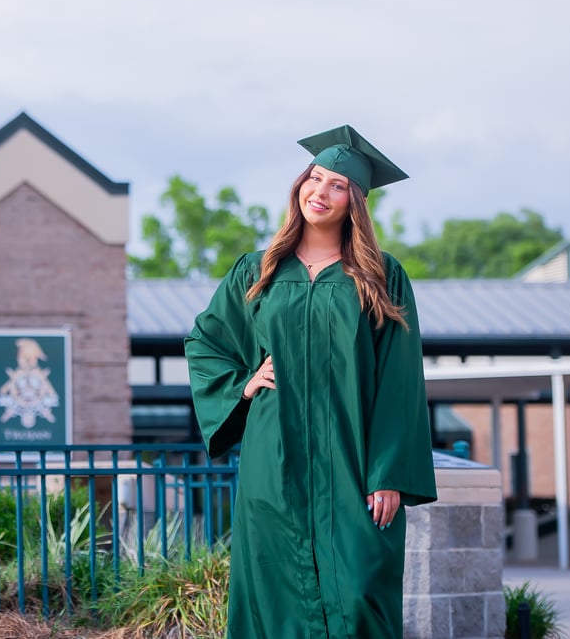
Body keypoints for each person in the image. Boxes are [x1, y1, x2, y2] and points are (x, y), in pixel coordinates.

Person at [185, 125, 437, 638]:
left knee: (360, 585)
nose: (320, 192)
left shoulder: (381, 276)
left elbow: (400, 381)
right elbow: (205, 341)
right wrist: (244, 383)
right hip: (274, 457)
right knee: (274, 589)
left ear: (355, 202)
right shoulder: (257, 271)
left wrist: (387, 472)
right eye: (314, 178)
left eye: (337, 185)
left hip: (353, 459)